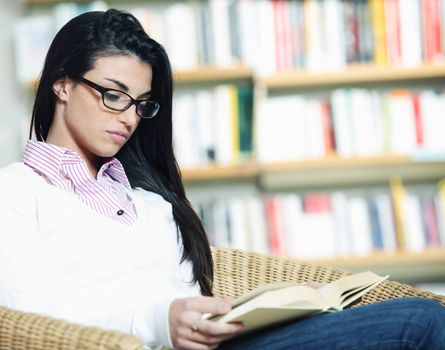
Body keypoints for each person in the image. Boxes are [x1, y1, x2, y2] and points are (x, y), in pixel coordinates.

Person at [0, 9, 444, 350]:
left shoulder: (150, 201)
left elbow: (189, 301)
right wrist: (157, 321)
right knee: (418, 325)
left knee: (418, 313)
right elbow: (30, 326)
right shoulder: (17, 192)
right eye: (113, 96)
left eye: (142, 104)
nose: (130, 118)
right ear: (61, 85)